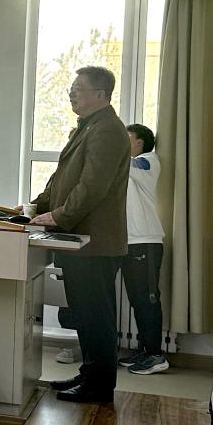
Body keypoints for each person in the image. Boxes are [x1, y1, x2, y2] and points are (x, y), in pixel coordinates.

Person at [29, 66, 130, 404]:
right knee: (84, 314)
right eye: (71, 88)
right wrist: (35, 206)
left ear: (101, 95)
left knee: (95, 316)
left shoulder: (108, 130)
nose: (72, 93)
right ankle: (89, 374)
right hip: (79, 241)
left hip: (94, 242)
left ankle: (99, 386)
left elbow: (92, 186)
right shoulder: (88, 127)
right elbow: (62, 179)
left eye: (79, 88)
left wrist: (59, 216)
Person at [118, 123, 168, 376]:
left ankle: (156, 355)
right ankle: (145, 351)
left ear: (140, 142)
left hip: (146, 241)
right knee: (137, 300)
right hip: (130, 241)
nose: (121, 142)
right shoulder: (130, 168)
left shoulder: (148, 161)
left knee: (148, 299)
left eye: (126, 138)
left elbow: (125, 163)